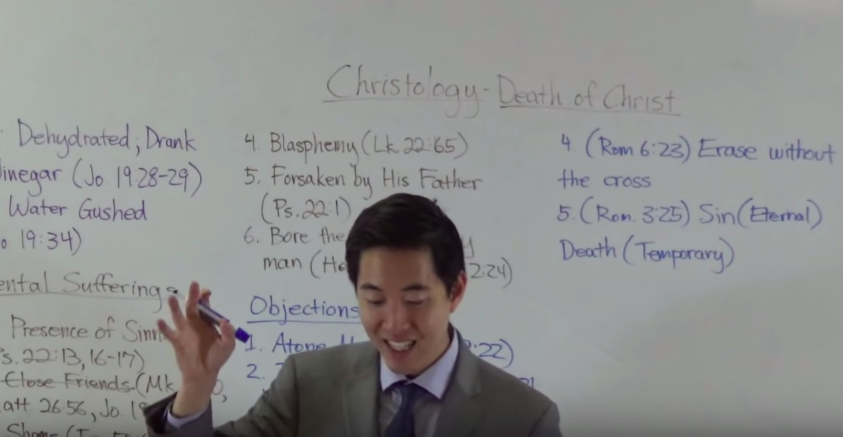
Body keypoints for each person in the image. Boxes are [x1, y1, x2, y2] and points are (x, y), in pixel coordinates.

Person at [143, 192, 563, 436]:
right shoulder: (306, 383)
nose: (394, 323)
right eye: (375, 300)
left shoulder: (525, 418)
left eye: (415, 300)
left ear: (455, 291)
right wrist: (196, 387)